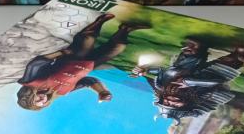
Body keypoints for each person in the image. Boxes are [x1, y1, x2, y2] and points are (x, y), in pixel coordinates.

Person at [17, 13, 149, 111]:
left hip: (70, 57)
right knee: (118, 47)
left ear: (29, 96)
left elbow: (36, 63)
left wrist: (61, 53)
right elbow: (88, 81)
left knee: (88, 39)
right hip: (90, 64)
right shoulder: (62, 92)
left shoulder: (30, 82)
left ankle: (100, 20)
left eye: (36, 100)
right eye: (40, 104)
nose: (41, 100)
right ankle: (126, 28)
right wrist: (102, 92)